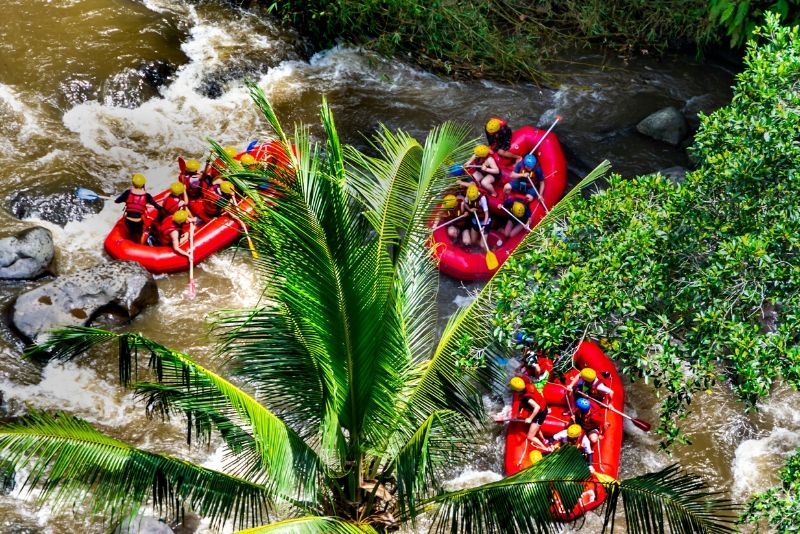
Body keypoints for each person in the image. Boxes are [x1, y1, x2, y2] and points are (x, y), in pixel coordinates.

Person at [114, 173, 162, 244]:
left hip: (128, 221)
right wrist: (162, 209)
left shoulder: (128, 193)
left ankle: (130, 242)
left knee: (131, 233)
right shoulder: (147, 196)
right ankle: (140, 245)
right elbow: (156, 206)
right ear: (143, 184)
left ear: (133, 183)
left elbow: (117, 201)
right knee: (141, 234)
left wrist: (125, 200)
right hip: (138, 221)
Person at [510, 377, 552, 452]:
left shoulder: (526, 398)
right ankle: (543, 439)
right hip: (543, 407)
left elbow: (537, 407)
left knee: (530, 437)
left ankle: (546, 449)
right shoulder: (528, 386)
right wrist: (516, 415)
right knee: (535, 426)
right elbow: (521, 405)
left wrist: (530, 418)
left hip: (540, 413)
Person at [461, 184, 491, 249]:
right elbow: (465, 203)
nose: (472, 200)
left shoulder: (482, 199)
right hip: (475, 220)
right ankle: (478, 245)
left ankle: (486, 247)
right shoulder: (468, 195)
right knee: (473, 242)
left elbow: (486, 214)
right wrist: (470, 209)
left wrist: (484, 226)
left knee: (482, 245)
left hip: (485, 221)